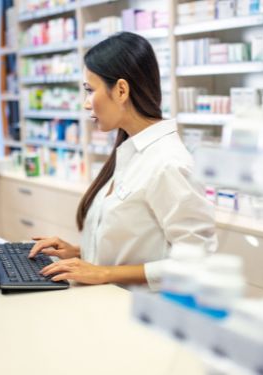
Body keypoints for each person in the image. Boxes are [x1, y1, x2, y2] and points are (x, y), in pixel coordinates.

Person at [28, 32, 217, 290]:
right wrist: (79, 253)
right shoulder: (133, 151)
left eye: (89, 90)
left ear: (120, 90)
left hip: (139, 316)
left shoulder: (168, 163)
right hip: (106, 305)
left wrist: (103, 272)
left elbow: (197, 263)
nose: (85, 103)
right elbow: (137, 243)